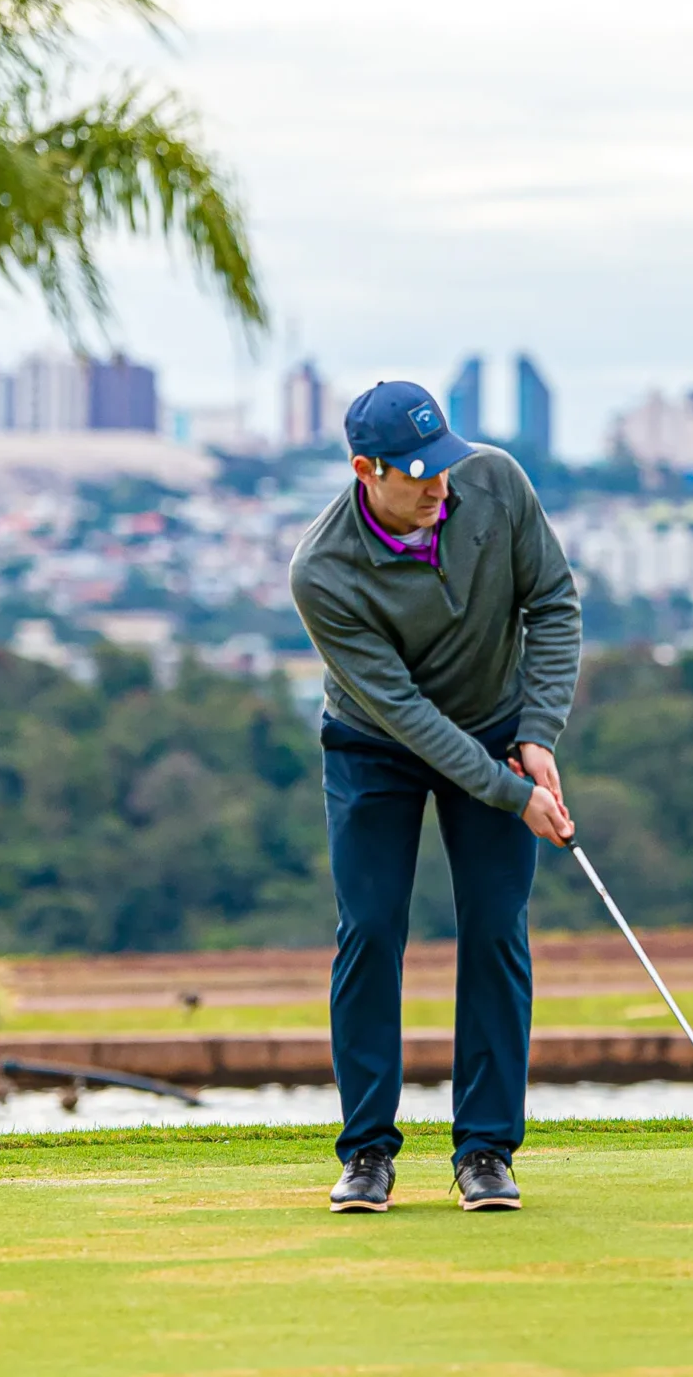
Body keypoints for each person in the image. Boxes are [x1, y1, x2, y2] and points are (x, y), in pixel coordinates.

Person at [288, 379, 581, 1213]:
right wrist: (511, 794)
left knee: (495, 927)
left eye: (443, 464)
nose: (439, 487)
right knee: (370, 927)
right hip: (374, 741)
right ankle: (367, 1152)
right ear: (366, 470)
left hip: (495, 724)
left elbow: (553, 602)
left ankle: (486, 1148)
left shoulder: (495, 482)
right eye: (417, 474)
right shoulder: (323, 570)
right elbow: (409, 716)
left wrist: (537, 733)